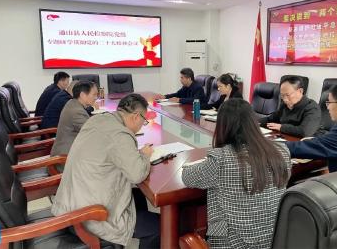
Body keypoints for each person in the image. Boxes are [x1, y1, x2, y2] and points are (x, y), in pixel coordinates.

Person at [51, 93, 160, 248]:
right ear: (136, 116)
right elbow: (137, 174)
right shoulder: (120, 134)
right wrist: (144, 154)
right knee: (158, 227)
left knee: (138, 196)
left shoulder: (97, 119)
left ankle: (136, 225)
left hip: (70, 205)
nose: (142, 125)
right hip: (90, 216)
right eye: (144, 121)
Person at [182, 98, 291, 248]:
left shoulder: (221, 159)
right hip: (275, 240)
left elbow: (187, 177)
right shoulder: (282, 151)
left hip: (232, 243)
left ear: (223, 126)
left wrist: (193, 165)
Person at [50, 81, 98, 158]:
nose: (96, 97)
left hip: (70, 151)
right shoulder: (77, 111)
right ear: (82, 95)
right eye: (94, 94)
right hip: (65, 159)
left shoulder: (72, 103)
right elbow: (93, 133)